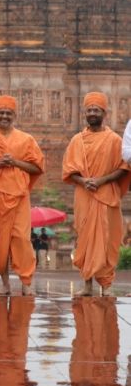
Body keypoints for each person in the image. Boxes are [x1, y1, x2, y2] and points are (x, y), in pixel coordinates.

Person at [63, 91, 131, 296]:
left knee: (109, 239)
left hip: (107, 194)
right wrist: (83, 181)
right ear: (85, 113)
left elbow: (124, 168)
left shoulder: (114, 140)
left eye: (96, 110)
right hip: (84, 195)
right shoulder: (77, 140)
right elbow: (68, 170)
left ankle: (106, 285)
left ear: (105, 113)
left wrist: (101, 180)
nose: (92, 113)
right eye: (89, 110)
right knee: (84, 239)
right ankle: (87, 285)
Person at [0, 94, 43, 295]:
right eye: (1, 113)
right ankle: (5, 283)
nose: (4, 116)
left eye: (8, 113)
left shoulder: (26, 140)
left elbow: (37, 167)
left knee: (21, 239)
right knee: (0, 242)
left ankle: (26, 282)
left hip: (19, 197)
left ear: (14, 115)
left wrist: (15, 163)